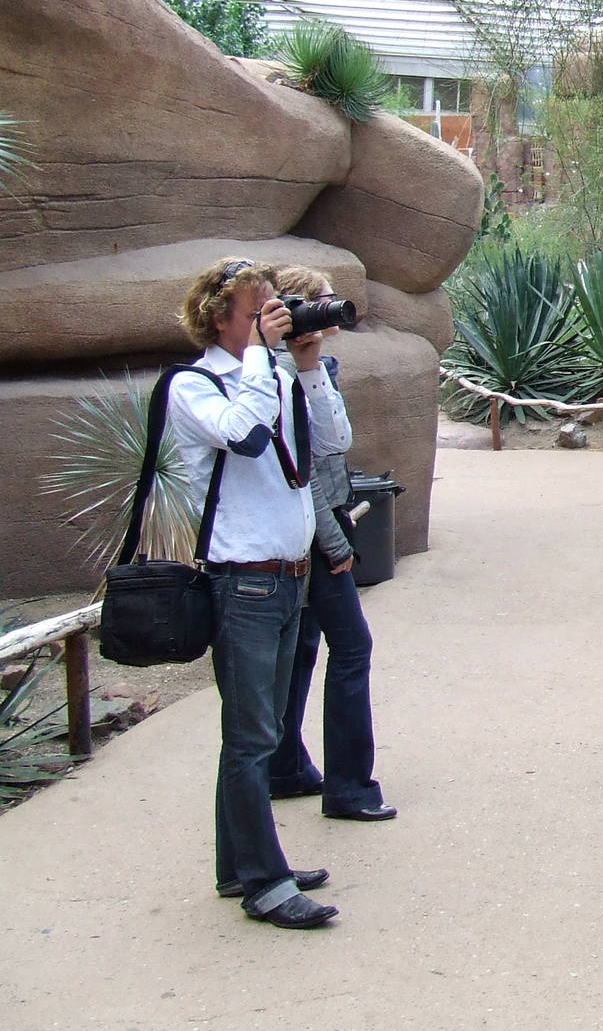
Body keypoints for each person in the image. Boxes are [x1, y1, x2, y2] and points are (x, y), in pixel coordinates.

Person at [170, 258, 351, 930]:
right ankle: (266, 884)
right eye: (259, 312)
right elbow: (245, 438)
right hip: (242, 580)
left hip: (289, 574)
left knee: (260, 733)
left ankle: (237, 864)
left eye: (277, 310)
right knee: (251, 739)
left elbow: (331, 444)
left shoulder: (272, 373)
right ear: (221, 319)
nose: (275, 321)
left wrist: (304, 367)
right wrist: (259, 359)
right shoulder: (193, 387)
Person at [267, 265, 396, 823]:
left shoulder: (314, 366)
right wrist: (334, 543)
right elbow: (304, 472)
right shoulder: (267, 377)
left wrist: (312, 364)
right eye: (316, 303)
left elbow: (337, 442)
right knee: (351, 648)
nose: (327, 312)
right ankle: (348, 787)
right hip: (311, 533)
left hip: (317, 526)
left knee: (302, 649)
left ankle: (285, 765)